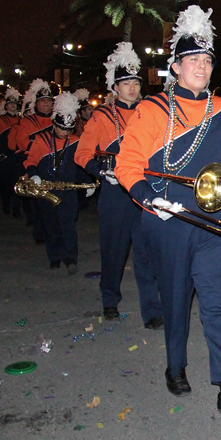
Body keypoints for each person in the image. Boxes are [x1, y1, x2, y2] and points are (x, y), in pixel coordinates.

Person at [115, 6, 221, 422]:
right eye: (193, 59)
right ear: (175, 67)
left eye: (208, 60)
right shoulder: (152, 110)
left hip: (218, 225)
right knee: (175, 302)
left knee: (218, 304)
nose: (202, 66)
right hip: (169, 221)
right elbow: (128, 164)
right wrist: (148, 198)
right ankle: (175, 365)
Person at [75, 42, 162, 328]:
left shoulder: (150, 113)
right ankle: (110, 299)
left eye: (136, 82)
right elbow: (82, 153)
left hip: (144, 189)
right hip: (115, 193)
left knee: (146, 253)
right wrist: (101, 171)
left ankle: (151, 310)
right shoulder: (102, 116)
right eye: (126, 83)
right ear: (115, 87)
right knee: (113, 250)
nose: (132, 88)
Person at [25, 93, 91, 274]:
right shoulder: (42, 140)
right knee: (51, 225)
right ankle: (54, 256)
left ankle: (71, 258)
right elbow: (30, 160)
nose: (65, 132)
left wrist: (89, 183)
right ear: (54, 124)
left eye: (69, 129)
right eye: (62, 128)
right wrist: (33, 174)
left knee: (68, 226)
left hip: (68, 191)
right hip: (47, 190)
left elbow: (82, 165)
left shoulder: (76, 141)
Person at [12, 79, 58, 242]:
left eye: (49, 101)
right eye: (43, 101)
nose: (46, 104)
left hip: (54, 164)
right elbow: (22, 143)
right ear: (36, 104)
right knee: (37, 202)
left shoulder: (57, 120)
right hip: (34, 163)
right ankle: (39, 232)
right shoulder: (27, 121)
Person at [0, 88, 22, 216]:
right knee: (5, 182)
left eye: (14, 103)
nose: (13, 105)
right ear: (6, 106)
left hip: (17, 155)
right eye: (10, 104)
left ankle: (16, 208)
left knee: (17, 181)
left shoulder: (21, 119)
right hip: (4, 156)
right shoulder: (0, 120)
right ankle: (6, 204)